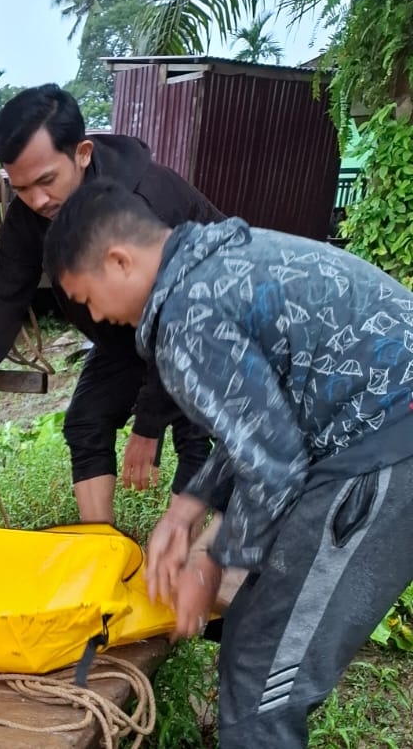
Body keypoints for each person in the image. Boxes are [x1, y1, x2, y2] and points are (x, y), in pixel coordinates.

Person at [42, 178, 413, 749]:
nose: (98, 318)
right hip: (369, 429)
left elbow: (277, 464)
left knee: (263, 674)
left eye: (88, 298)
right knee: (253, 634)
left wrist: (211, 562)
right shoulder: (220, 260)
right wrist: (190, 505)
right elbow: (268, 419)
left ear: (118, 261)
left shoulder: (187, 317)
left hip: (384, 445)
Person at [0, 84, 223, 524]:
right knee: (85, 419)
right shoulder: (31, 213)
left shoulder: (146, 201)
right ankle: (97, 550)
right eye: (22, 187)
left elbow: (182, 322)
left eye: (47, 181)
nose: (37, 200)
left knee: (193, 431)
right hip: (125, 338)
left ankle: (186, 558)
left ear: (82, 153)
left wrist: (147, 424)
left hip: (205, 331)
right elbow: (2, 298)